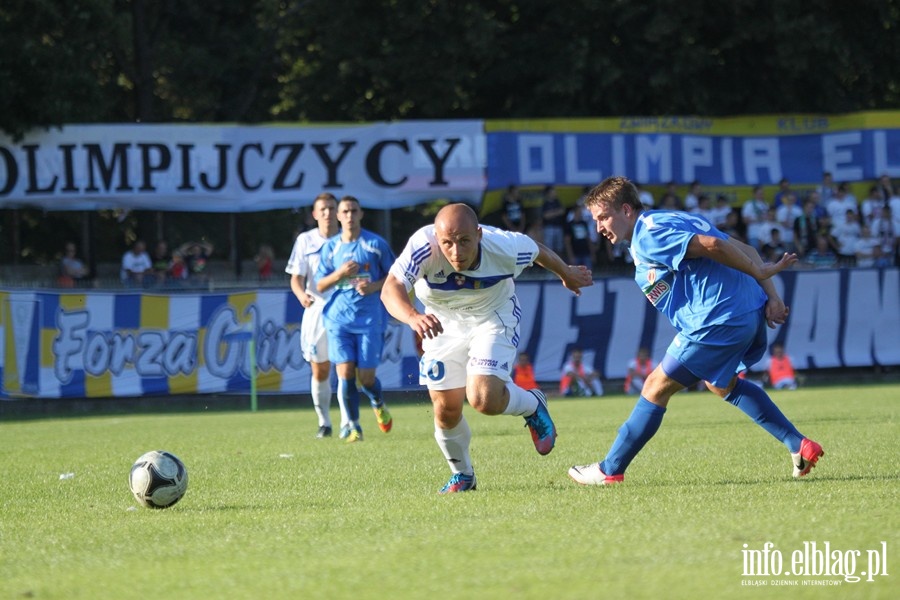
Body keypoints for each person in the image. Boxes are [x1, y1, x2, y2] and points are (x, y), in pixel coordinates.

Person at [568, 176, 823, 487]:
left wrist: (761, 277)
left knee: (654, 386)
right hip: (746, 312)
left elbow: (715, 246)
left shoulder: (649, 234)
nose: (599, 228)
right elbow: (747, 250)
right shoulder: (672, 218)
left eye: (603, 217)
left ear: (625, 210)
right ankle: (798, 445)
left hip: (717, 318)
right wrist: (772, 295)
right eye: (595, 220)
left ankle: (610, 469)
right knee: (721, 384)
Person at [380, 203, 592, 494]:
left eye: (464, 241)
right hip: (442, 323)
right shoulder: (423, 245)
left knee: (484, 399)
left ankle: (533, 404)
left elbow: (538, 250)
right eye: (448, 244)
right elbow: (391, 287)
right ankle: (463, 474)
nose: (456, 252)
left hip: (492, 317)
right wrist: (413, 316)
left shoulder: (503, 246)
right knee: (445, 409)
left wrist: (565, 273)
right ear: (438, 239)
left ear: (479, 235)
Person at [315, 196, 396, 442]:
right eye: (345, 212)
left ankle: (378, 401)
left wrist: (373, 287)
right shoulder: (331, 248)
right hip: (339, 319)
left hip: (370, 320)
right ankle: (353, 426)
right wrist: (340, 273)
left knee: (367, 378)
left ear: (360, 214)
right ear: (339, 217)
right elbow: (320, 284)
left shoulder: (375, 244)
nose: (349, 216)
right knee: (345, 371)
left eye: (354, 211)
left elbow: (396, 276)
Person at [286, 192, 343, 439]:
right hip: (316, 310)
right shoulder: (305, 240)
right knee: (320, 369)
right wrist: (301, 295)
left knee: (346, 367)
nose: (328, 213)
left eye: (332, 208)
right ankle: (325, 422)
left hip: (344, 309)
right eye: (323, 209)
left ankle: (349, 422)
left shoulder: (348, 239)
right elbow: (296, 278)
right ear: (315, 214)